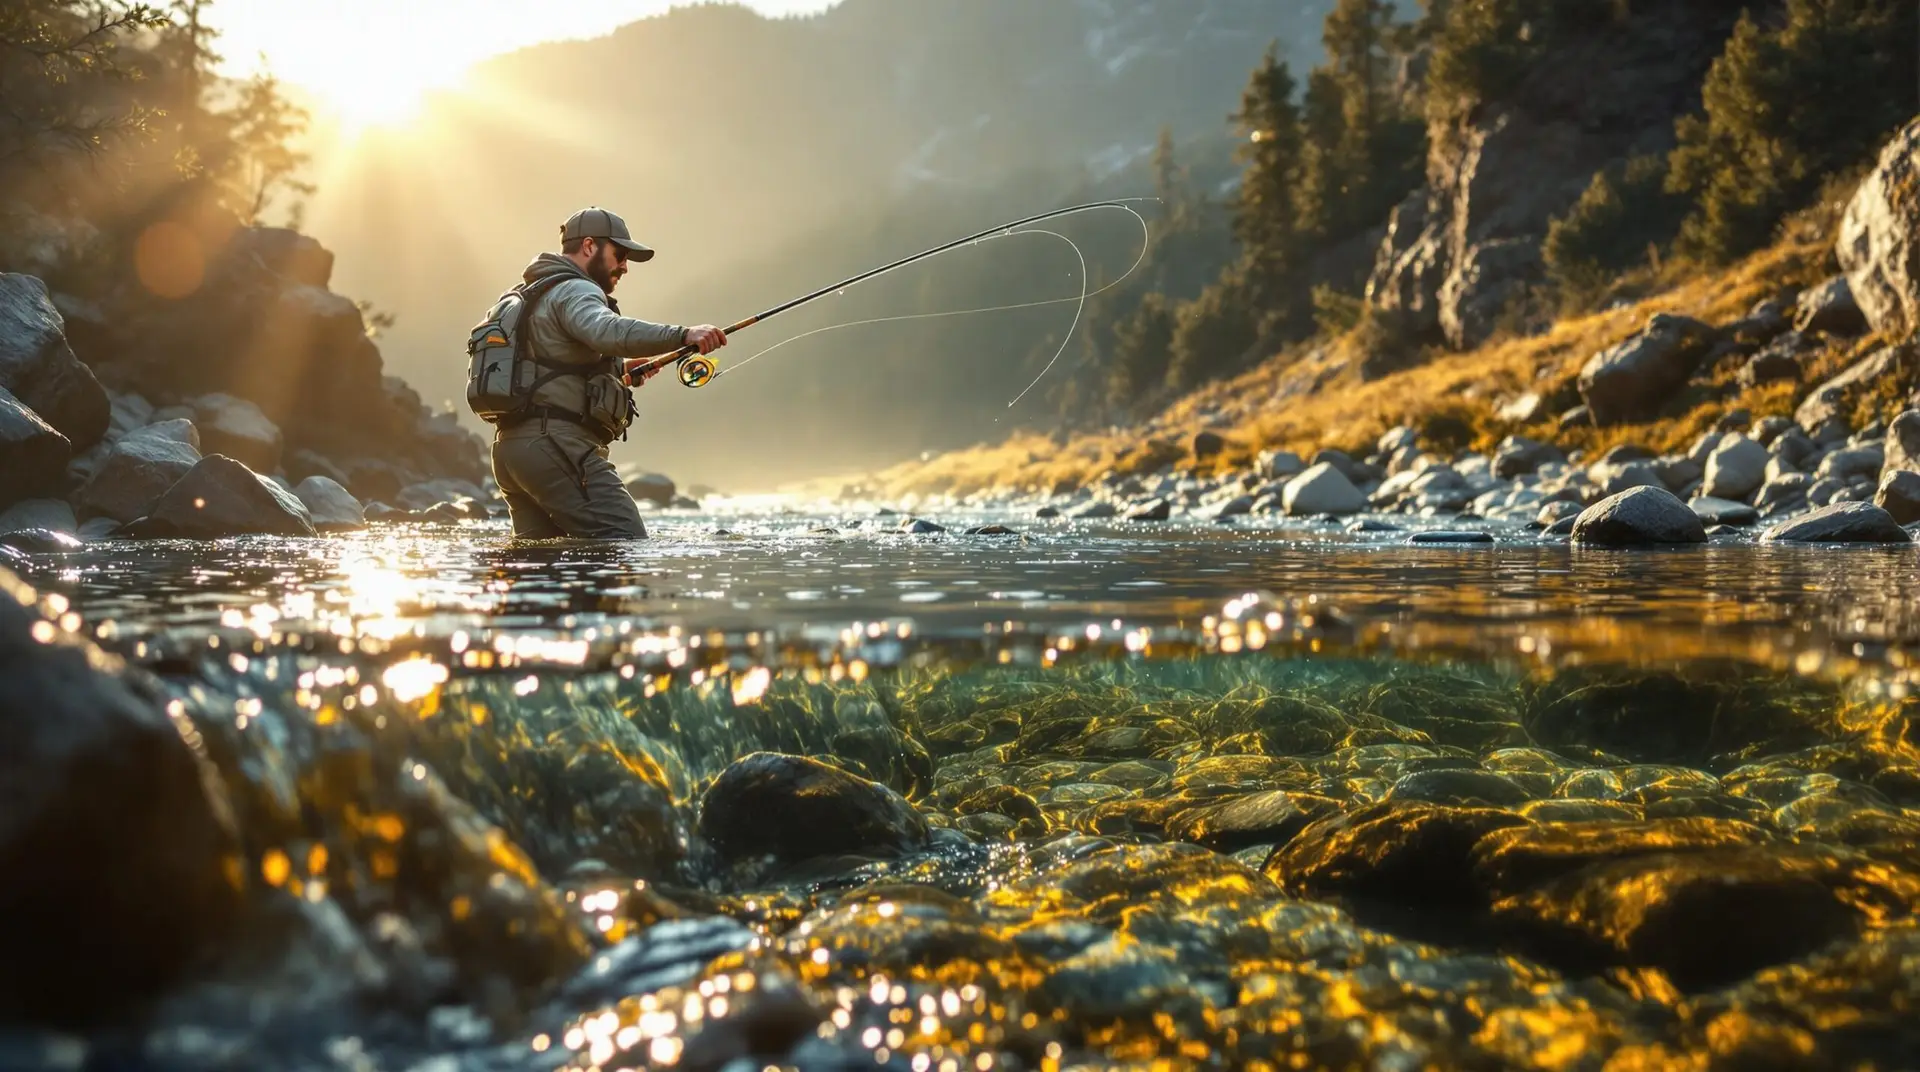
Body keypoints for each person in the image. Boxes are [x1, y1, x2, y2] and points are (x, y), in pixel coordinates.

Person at [491, 207, 727, 539]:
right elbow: (608, 331)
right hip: (556, 446)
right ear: (589, 246)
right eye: (619, 254)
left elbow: (549, 363)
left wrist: (618, 370)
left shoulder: (529, 294)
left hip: (512, 452)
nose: (625, 267)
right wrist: (683, 334)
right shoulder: (575, 289)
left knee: (540, 567)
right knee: (623, 543)